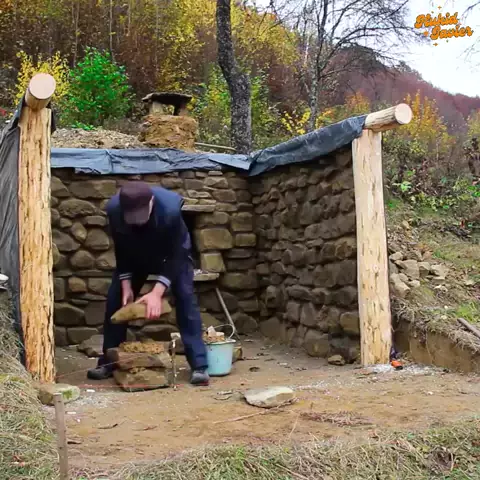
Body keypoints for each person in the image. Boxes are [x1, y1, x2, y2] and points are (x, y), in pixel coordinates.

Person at [87, 181, 210, 386]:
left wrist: (157, 292)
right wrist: (126, 284)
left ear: (152, 202)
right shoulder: (114, 211)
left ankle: (199, 365)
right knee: (116, 299)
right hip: (137, 257)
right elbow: (121, 248)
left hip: (172, 257)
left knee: (185, 296)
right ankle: (109, 361)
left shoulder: (170, 210)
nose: (137, 221)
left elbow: (179, 253)